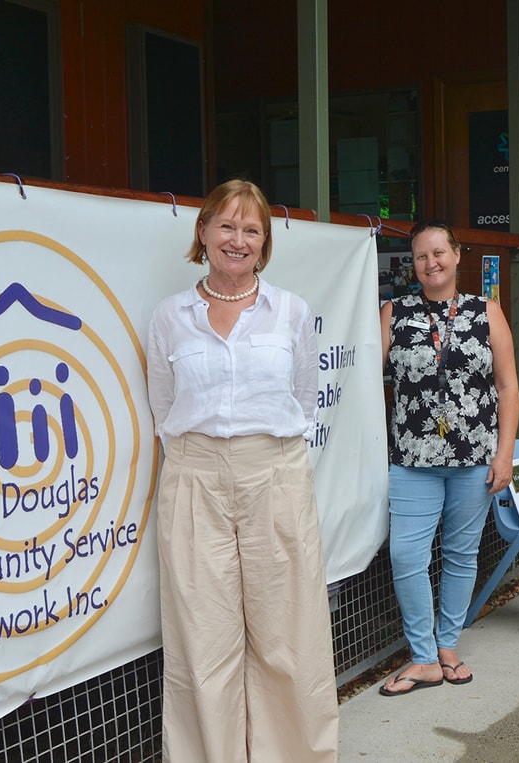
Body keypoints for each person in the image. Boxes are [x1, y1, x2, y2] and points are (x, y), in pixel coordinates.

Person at [146, 179, 338, 761]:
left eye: (251, 229)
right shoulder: (169, 318)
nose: (238, 239)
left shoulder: (291, 312)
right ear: (202, 232)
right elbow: (164, 408)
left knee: (290, 637)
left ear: (264, 243)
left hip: (275, 474)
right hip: (194, 475)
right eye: (226, 226)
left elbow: (303, 403)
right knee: (201, 644)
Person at [378, 219, 519, 697]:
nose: (431, 263)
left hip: (474, 457)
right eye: (420, 256)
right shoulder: (393, 312)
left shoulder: (487, 312)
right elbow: (367, 382)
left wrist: (505, 454)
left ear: (458, 255)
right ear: (411, 264)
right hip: (411, 458)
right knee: (406, 555)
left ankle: (448, 645)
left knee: (461, 556)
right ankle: (423, 658)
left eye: (439, 252)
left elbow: (507, 388)